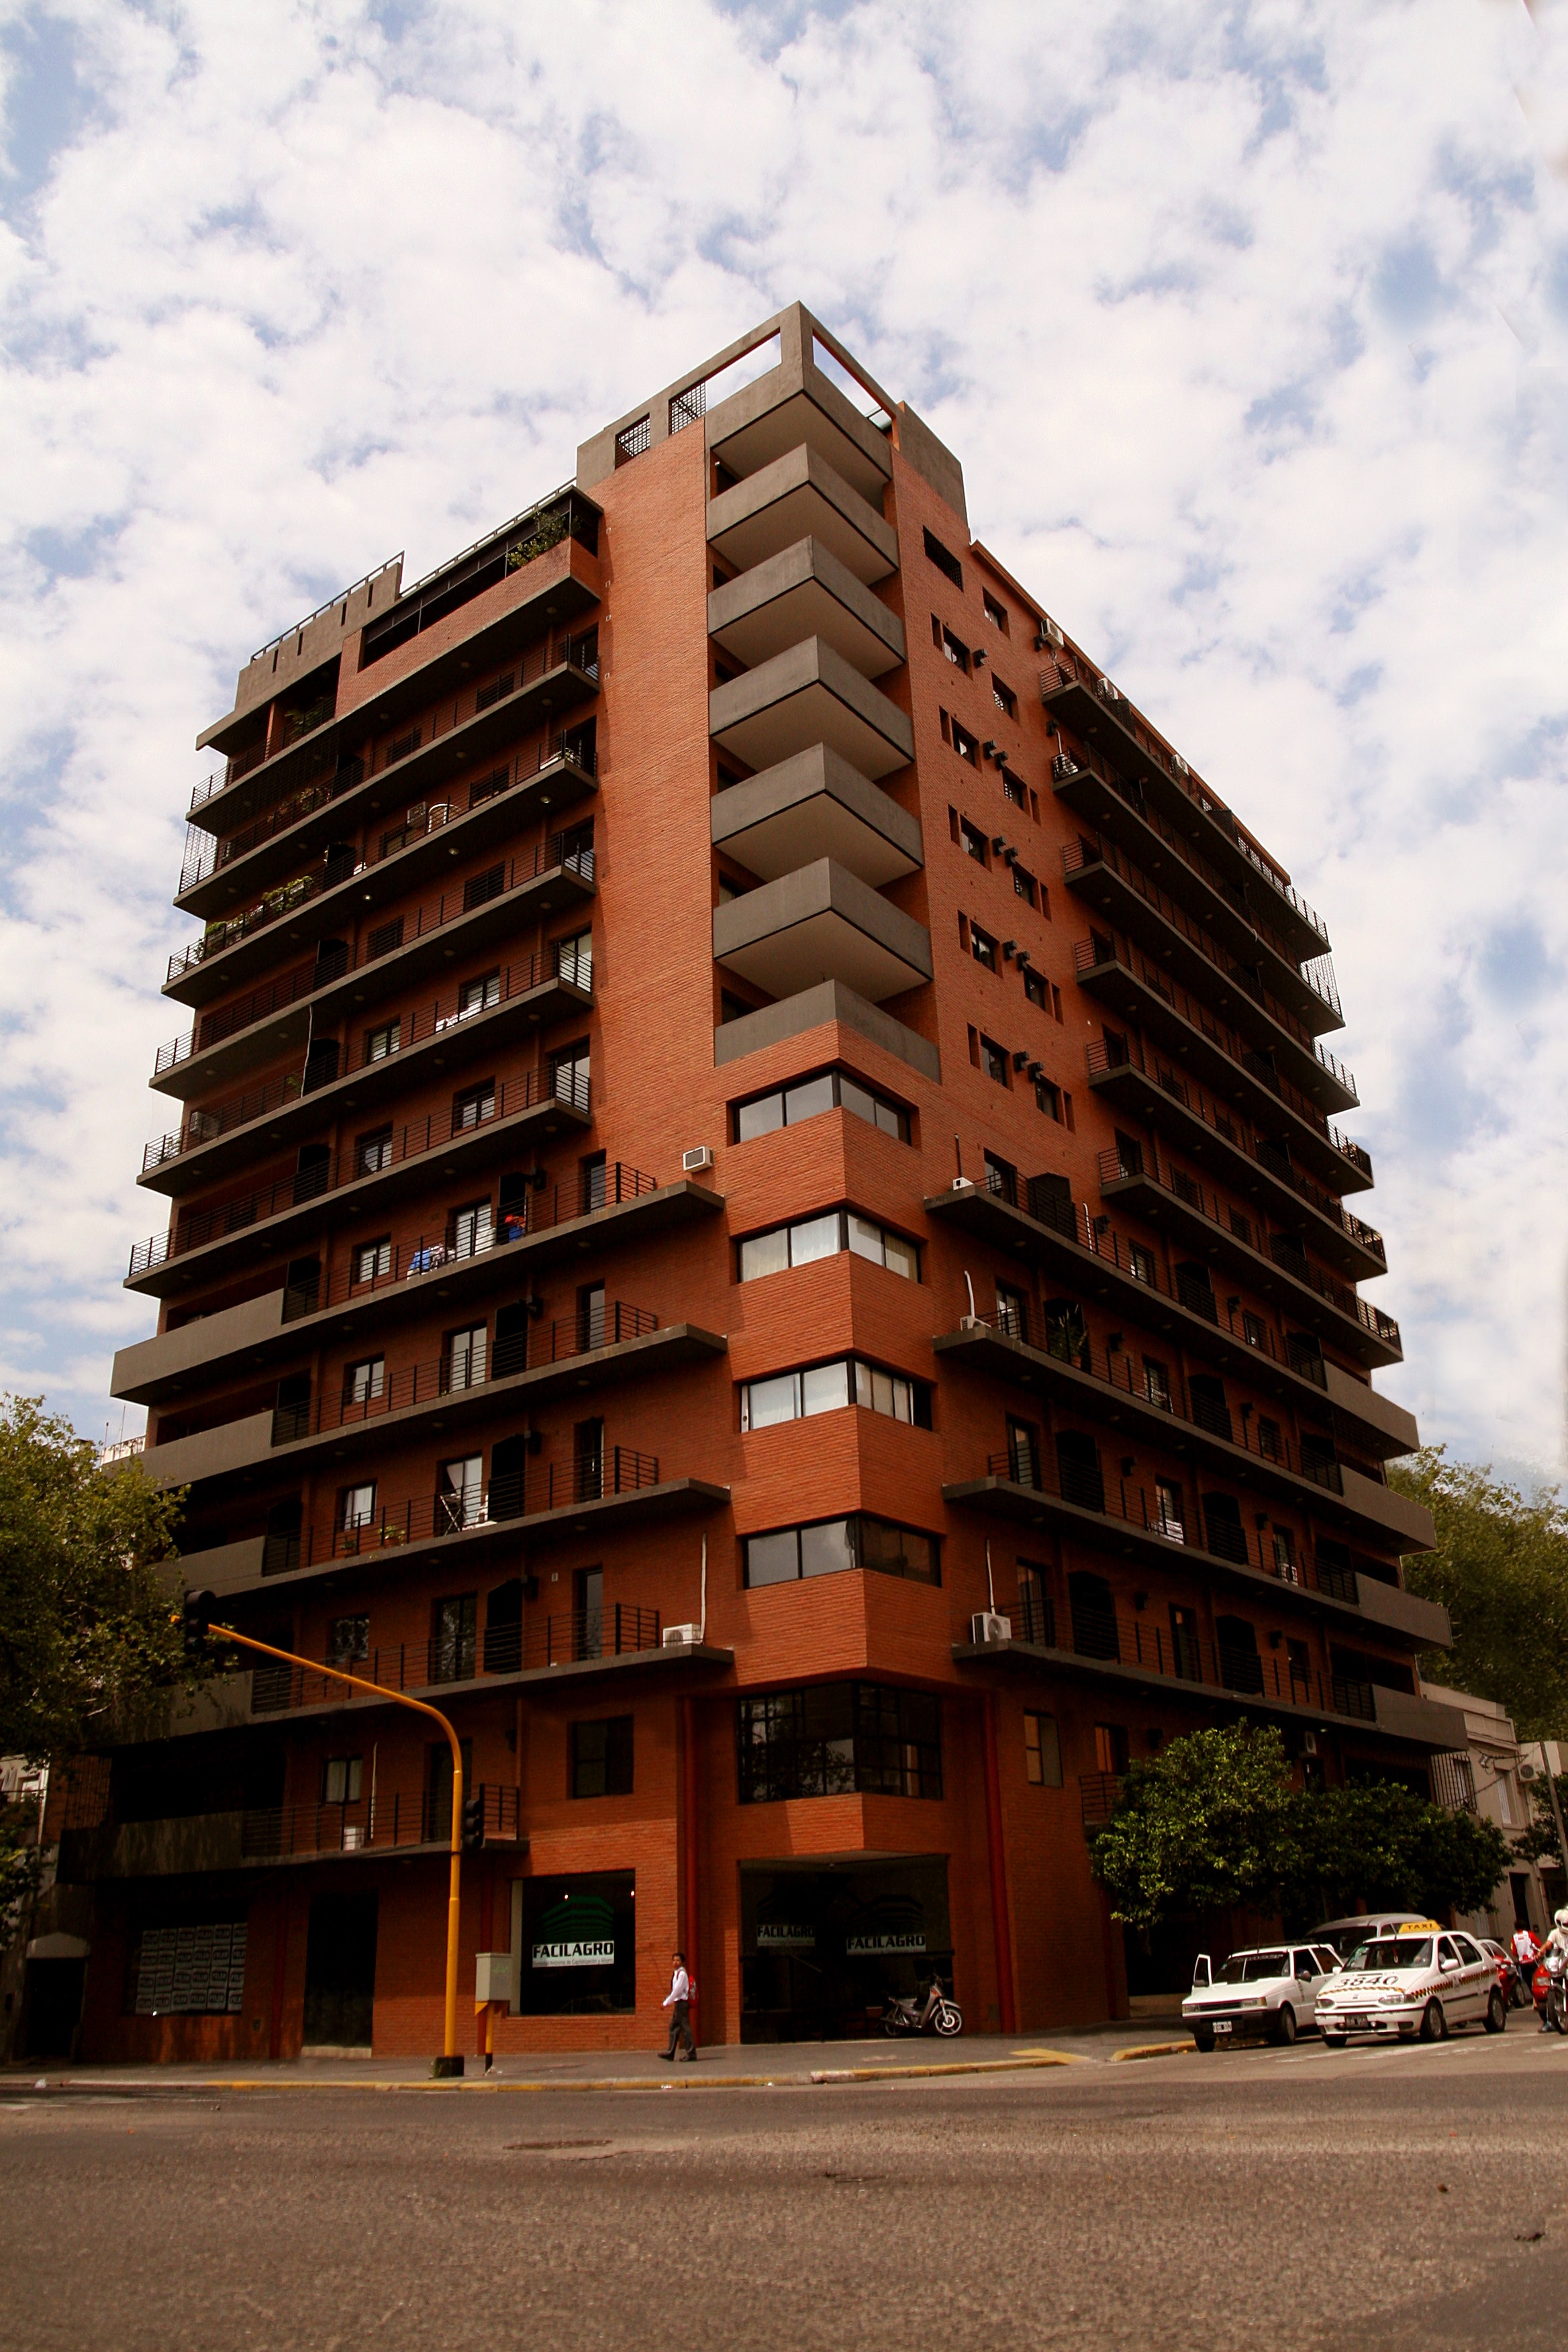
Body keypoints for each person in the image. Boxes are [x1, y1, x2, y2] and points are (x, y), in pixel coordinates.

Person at [661, 1949, 696, 2062]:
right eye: (674, 1960)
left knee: (685, 2029)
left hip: (682, 2004)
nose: (675, 1962)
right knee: (674, 2028)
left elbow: (677, 1991)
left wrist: (666, 2003)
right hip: (678, 2004)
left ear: (682, 1962)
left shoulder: (682, 1974)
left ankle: (691, 2054)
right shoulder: (676, 1974)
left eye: (678, 1960)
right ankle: (670, 2053)